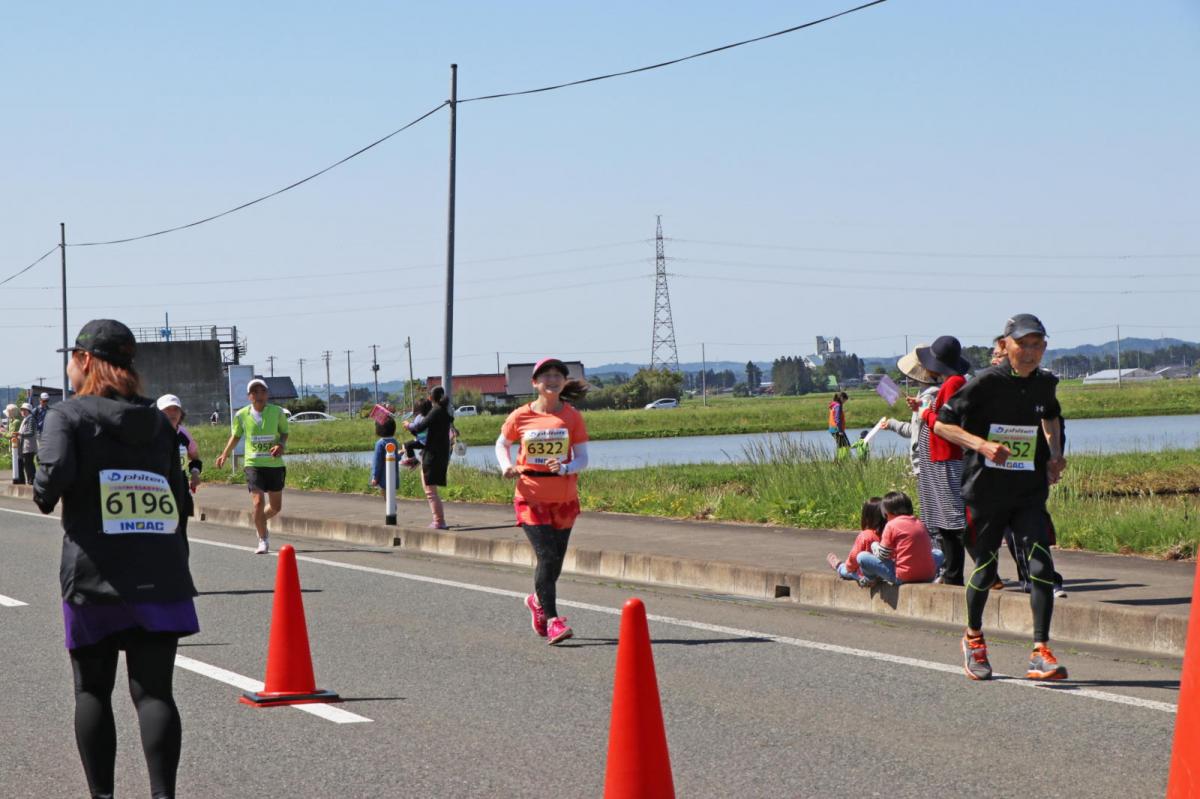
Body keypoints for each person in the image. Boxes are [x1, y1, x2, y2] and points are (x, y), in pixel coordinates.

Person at [34, 318, 198, 799]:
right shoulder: (158, 421)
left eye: (71, 357)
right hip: (161, 574)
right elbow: (177, 499)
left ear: (86, 360)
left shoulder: (68, 415)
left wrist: (47, 485)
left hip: (94, 576)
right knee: (155, 693)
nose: (67, 366)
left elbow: (51, 484)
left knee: (92, 691)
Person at [935, 313, 1069, 681]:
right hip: (986, 492)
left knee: (1041, 567)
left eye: (1037, 344)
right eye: (1022, 344)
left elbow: (1052, 418)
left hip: (1027, 492)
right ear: (1003, 345)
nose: (1030, 352)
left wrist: (1055, 455)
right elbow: (941, 424)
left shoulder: (1045, 383)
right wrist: (981, 445)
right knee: (985, 569)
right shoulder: (984, 383)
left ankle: (1040, 651)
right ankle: (973, 638)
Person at [495, 358, 590, 645]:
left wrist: (564, 468)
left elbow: (583, 458)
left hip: (564, 499)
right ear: (535, 383)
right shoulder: (520, 416)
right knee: (546, 557)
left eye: (557, 375)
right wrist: (506, 465)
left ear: (563, 382)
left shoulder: (572, 417)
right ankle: (553, 621)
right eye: (545, 376)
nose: (552, 380)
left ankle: (537, 601)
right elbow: (502, 443)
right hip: (530, 497)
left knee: (555, 564)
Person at [914, 336, 971, 586]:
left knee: (951, 518)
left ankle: (953, 572)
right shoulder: (953, 382)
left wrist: (924, 412)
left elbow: (944, 422)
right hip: (940, 456)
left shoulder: (952, 384)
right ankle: (949, 570)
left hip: (946, 456)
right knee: (945, 517)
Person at [215, 379, 289, 554]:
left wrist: (281, 445)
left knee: (276, 507)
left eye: (262, 391)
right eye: (255, 392)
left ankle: (259, 522)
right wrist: (225, 454)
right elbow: (236, 436)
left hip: (274, 464)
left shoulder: (277, 412)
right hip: (253, 464)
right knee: (257, 503)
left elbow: (284, 432)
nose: (259, 394)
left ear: (267, 394)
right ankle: (263, 539)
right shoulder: (241, 415)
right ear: (249, 396)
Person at [853, 491, 943, 586]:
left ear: (887, 512)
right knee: (938, 553)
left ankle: (870, 579)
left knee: (862, 557)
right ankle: (935, 576)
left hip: (902, 577)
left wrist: (874, 545)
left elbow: (882, 555)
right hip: (928, 575)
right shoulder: (919, 523)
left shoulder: (891, 525)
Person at [157, 394, 202, 554]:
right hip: (157, 487)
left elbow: (195, 459)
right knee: (160, 534)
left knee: (180, 531)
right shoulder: (151, 434)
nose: (172, 413)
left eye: (175, 409)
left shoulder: (184, 434)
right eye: (167, 409)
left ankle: (182, 570)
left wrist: (195, 473)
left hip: (180, 485)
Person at [405, 386, 454, 529]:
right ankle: (438, 520)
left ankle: (439, 521)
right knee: (431, 491)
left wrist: (409, 425)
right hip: (439, 453)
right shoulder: (444, 411)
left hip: (433, 454)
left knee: (430, 491)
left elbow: (419, 428)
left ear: (431, 397)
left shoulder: (436, 411)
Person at [826, 498, 886, 586]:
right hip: (885, 572)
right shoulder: (889, 533)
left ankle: (838, 566)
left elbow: (854, 558)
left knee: (845, 570)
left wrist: (848, 567)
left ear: (866, 517)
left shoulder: (865, 535)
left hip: (866, 574)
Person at [400, 398, 432, 468]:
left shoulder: (420, 417)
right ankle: (413, 460)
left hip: (423, 441)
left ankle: (413, 460)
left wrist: (407, 424)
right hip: (428, 439)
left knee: (407, 445)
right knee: (407, 444)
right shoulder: (431, 416)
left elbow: (414, 426)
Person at [370, 417, 400, 489]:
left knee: (386, 497)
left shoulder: (380, 443)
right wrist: (400, 454)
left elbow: (377, 461)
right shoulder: (394, 442)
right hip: (393, 476)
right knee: (390, 496)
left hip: (383, 477)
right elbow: (396, 457)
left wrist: (375, 477)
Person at [18, 402, 38, 481]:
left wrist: (20, 434)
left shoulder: (31, 419)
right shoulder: (27, 419)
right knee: (28, 463)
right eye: (21, 410)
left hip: (29, 446)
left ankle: (32, 480)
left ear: (28, 411)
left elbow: (31, 432)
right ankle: (31, 480)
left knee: (28, 464)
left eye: (23, 410)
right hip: (26, 446)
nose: (22, 411)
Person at [5, 403, 22, 484]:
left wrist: (3, 434)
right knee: (16, 462)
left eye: (8, 411)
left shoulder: (16, 422)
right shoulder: (12, 421)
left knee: (18, 462)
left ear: (11, 412)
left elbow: (12, 434)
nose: (7, 413)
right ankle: (17, 478)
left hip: (16, 446)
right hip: (13, 445)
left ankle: (19, 479)